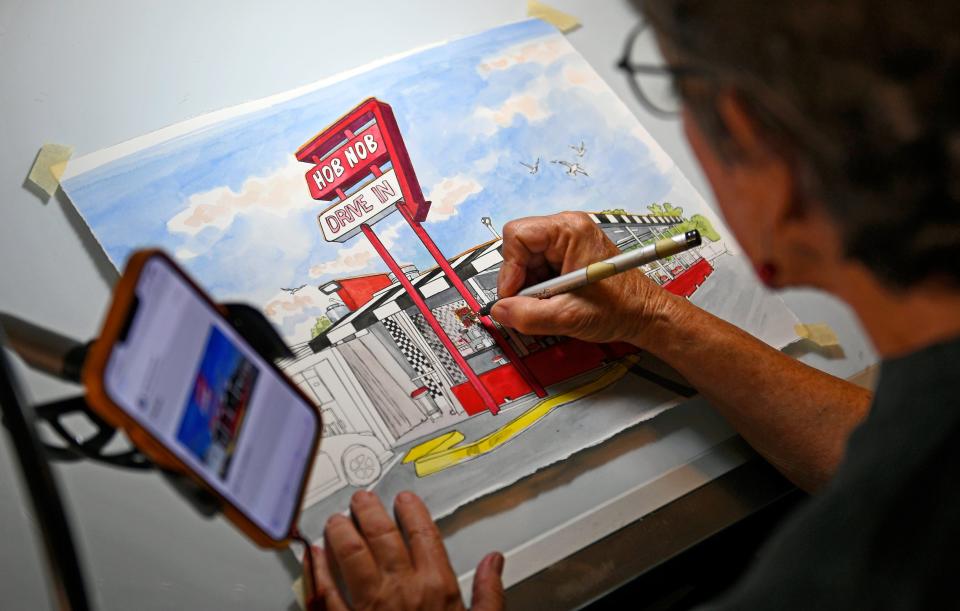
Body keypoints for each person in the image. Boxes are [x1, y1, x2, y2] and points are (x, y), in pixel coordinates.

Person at [305, 0, 960, 608]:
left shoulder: (835, 582)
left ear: (752, 141)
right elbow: (873, 448)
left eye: (673, 87)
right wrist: (649, 313)